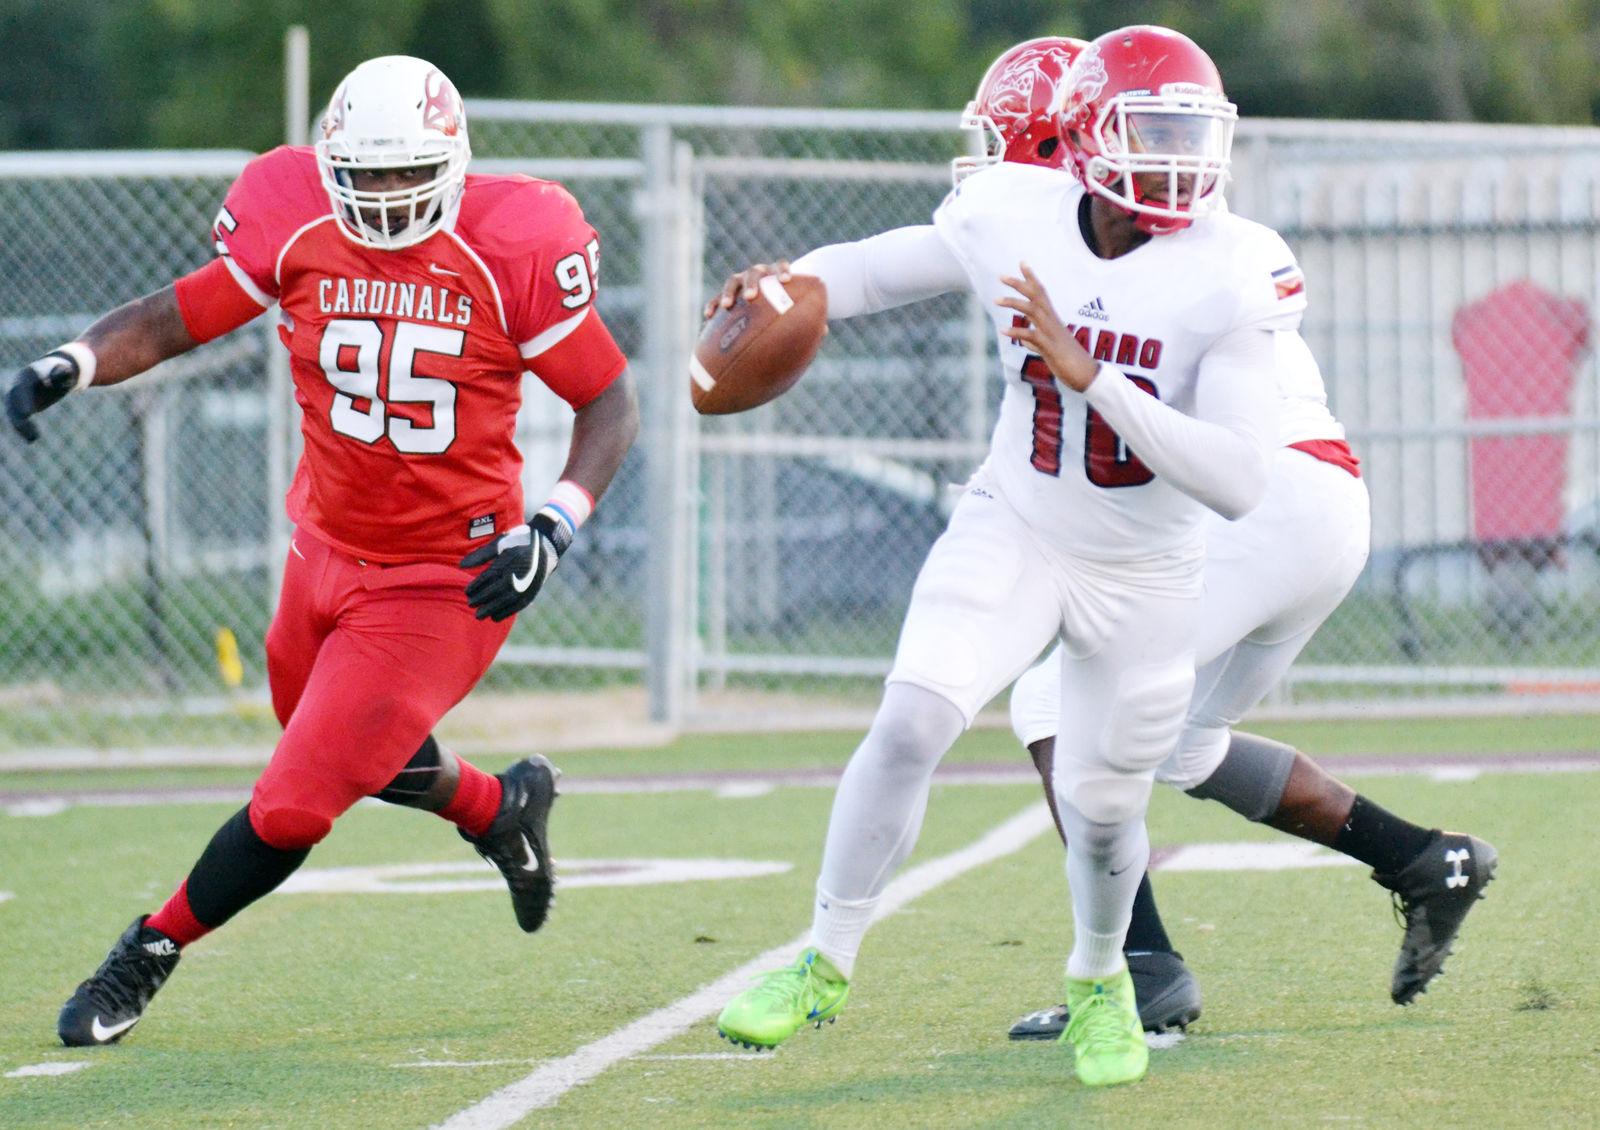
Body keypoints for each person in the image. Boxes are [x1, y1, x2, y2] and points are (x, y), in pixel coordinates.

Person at [710, 25, 1317, 1087]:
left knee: (1100, 810)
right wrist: (786, 285)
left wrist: (1092, 378)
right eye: (1150, 129)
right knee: (911, 717)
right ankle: (822, 956)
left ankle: (1098, 977)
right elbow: (864, 272)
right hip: (1020, 523)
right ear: (1085, 135)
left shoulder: (1233, 266)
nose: (1175, 156)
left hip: (1147, 569)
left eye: (1189, 131)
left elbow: (1236, 478)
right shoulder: (1010, 211)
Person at [6, 55, 639, 1047]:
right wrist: (73, 361)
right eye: (365, 175)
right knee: (347, 746)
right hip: (328, 542)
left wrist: (551, 527)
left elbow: (607, 398)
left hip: (447, 574)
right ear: (330, 164)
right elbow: (177, 316)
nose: (384, 197)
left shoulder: (511, 242)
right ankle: (500, 805)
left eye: (405, 174)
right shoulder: (293, 210)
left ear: (451, 163)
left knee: (297, 797)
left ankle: (145, 952)